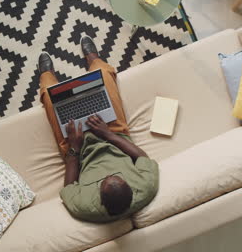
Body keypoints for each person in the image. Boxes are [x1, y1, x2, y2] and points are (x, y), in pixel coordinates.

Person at [38, 36, 159, 223]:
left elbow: (69, 188)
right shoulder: (146, 188)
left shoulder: (85, 208)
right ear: (129, 187)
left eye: (106, 180)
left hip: (78, 149)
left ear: (100, 198)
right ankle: (93, 59)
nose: (109, 174)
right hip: (114, 132)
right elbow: (142, 158)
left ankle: (47, 75)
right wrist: (108, 134)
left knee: (49, 94)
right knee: (102, 73)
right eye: (116, 177)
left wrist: (74, 148)